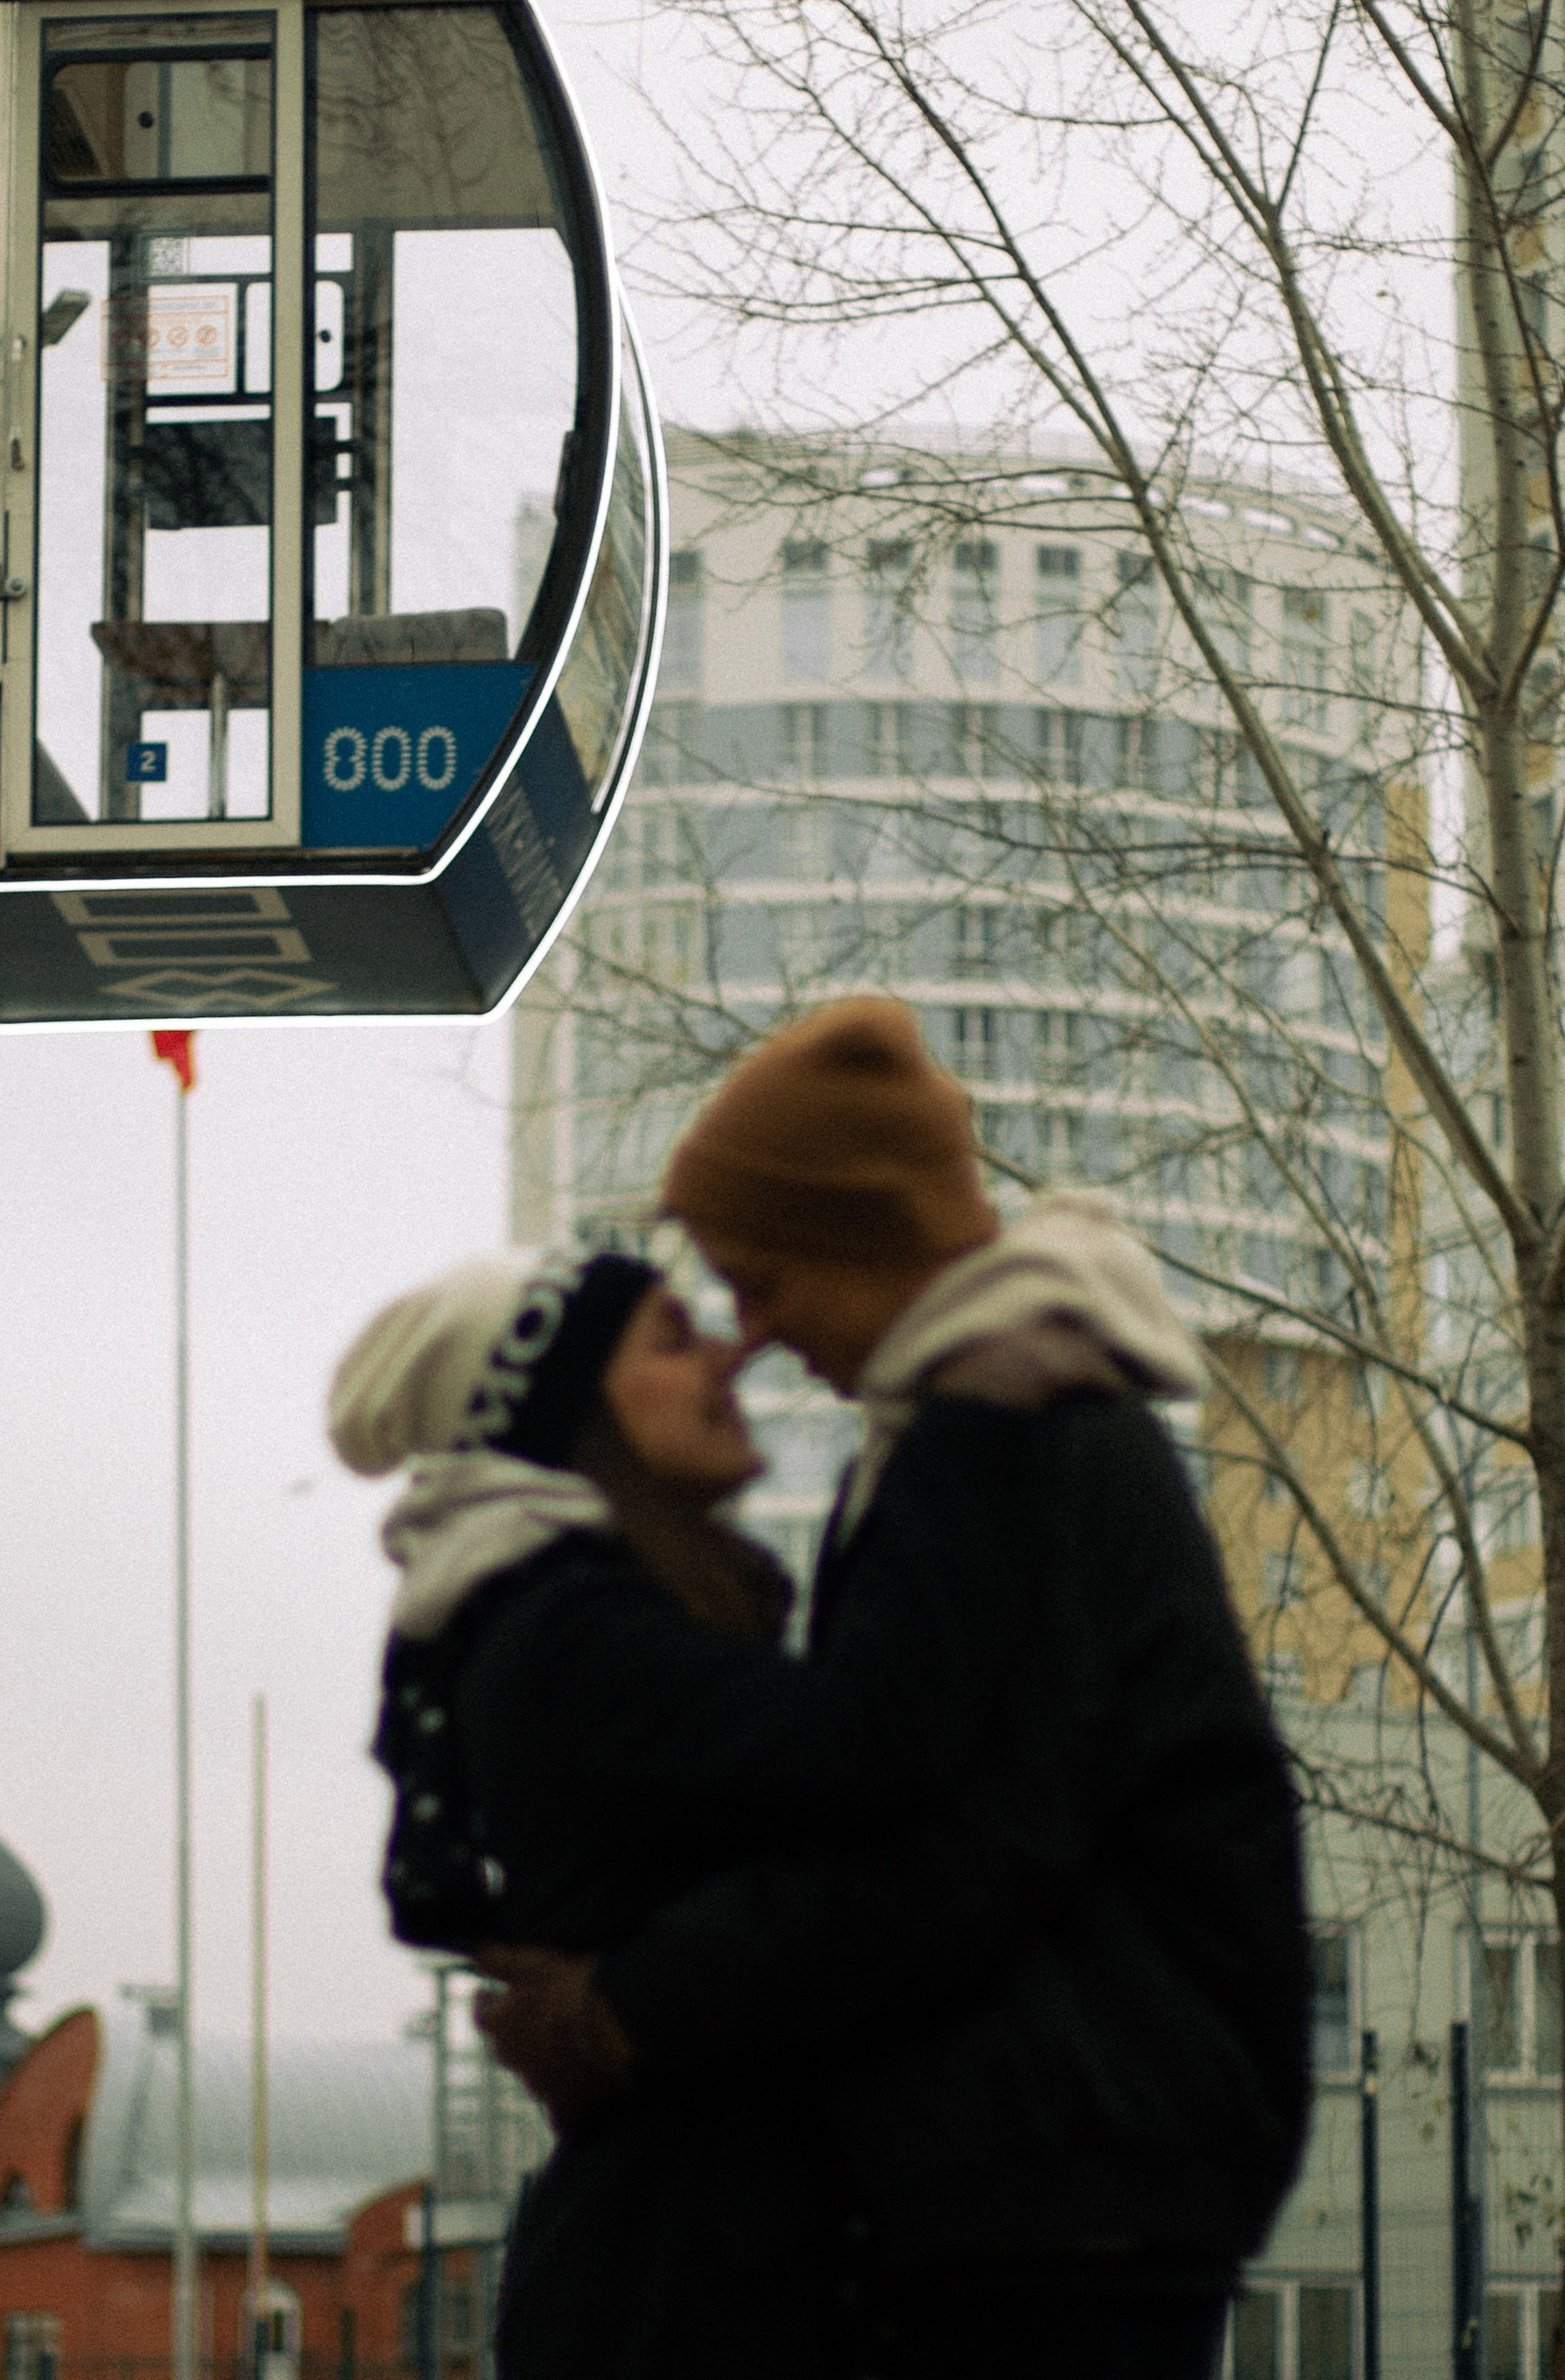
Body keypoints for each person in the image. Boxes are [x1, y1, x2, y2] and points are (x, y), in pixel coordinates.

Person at [474, 997, 1312, 2380]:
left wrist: (633, 2004)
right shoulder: (983, 1422)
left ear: (863, 1241)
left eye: (762, 1282)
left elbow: (957, 1847)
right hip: (1085, 2162)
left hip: (1059, 2172)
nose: (753, 1334)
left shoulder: (1005, 1431)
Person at [329, 1233, 1081, 2379]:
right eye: (674, 1339)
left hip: (690, 2265)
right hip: (700, 2285)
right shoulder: (575, 1634)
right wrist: (961, 1424)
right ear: (565, 1410)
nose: (732, 1356)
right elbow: (895, 1795)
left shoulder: (555, 1624)